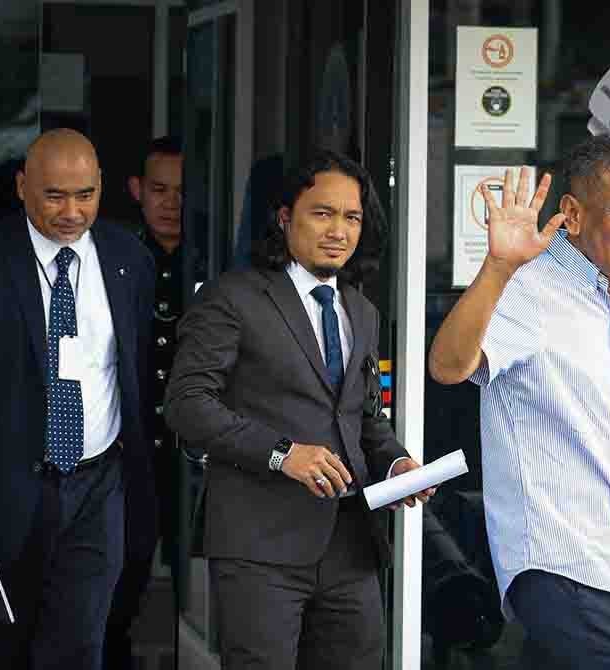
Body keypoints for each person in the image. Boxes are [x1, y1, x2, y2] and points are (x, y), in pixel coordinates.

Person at [428, 134, 610, 669]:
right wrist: (500, 268)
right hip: (555, 558)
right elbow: (447, 367)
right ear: (572, 213)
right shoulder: (529, 289)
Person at [163, 150, 434, 670]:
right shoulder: (231, 298)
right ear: (285, 217)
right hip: (258, 546)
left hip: (351, 545)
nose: (338, 230)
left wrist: (397, 464)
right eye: (322, 213)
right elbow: (187, 403)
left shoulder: (362, 310)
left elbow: (364, 419)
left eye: (351, 217)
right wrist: (282, 453)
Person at [0, 128, 158, 669]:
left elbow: (132, 373)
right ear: (22, 187)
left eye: (85, 195)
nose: (71, 212)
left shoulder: (128, 260)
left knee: (79, 647)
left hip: (97, 488)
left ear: (102, 188)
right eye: (54, 195)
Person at [103, 135, 192, 669]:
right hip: (127, 452)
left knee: (199, 590)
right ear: (136, 190)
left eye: (182, 191)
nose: (170, 202)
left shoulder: (214, 260)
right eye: (158, 189)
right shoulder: (111, 258)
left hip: (194, 456)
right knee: (118, 582)